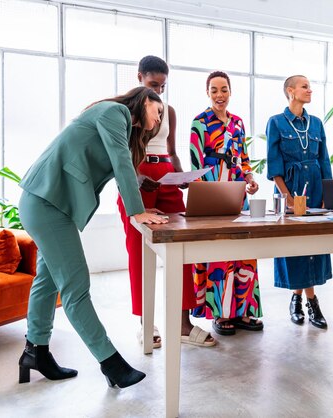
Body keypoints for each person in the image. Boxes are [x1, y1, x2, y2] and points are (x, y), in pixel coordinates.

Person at [18, 86, 168, 388]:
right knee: (76, 287)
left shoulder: (118, 125)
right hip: (46, 202)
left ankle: (36, 352)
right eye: (158, 110)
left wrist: (141, 183)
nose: (160, 118)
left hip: (48, 203)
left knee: (47, 282)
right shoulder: (116, 112)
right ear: (144, 100)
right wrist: (136, 211)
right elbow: (119, 159)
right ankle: (111, 363)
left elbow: (114, 164)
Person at [117, 56, 215, 348]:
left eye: (162, 86)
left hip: (166, 175)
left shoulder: (168, 111)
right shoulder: (125, 110)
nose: (158, 91)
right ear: (139, 78)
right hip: (138, 173)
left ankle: (183, 324)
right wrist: (135, 177)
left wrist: (182, 175)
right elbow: (119, 151)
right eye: (152, 84)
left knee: (182, 247)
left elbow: (171, 151)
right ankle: (145, 323)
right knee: (138, 250)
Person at [190, 70, 263, 336]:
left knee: (243, 249)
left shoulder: (238, 123)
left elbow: (243, 159)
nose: (219, 95)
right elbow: (196, 165)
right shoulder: (199, 123)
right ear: (207, 93)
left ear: (230, 92)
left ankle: (244, 311)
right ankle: (220, 313)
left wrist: (250, 179)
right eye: (214, 90)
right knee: (219, 252)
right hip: (212, 194)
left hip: (237, 194)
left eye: (224, 90)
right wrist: (202, 199)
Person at [266, 75, 333, 329]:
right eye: (305, 86)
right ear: (290, 91)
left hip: (315, 188)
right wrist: (288, 198)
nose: (310, 90)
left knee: (313, 244)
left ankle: (298, 298)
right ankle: (312, 302)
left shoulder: (316, 124)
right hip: (290, 190)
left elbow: (324, 160)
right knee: (294, 246)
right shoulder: (276, 122)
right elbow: (274, 166)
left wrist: (328, 194)